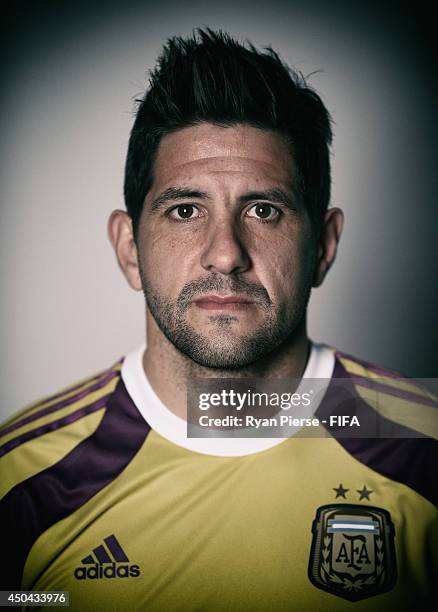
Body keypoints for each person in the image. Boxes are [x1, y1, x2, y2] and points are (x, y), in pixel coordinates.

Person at [1, 29, 436, 611]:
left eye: (263, 209)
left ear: (324, 247)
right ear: (129, 248)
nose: (225, 252)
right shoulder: (21, 479)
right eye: (185, 210)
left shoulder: (425, 449)